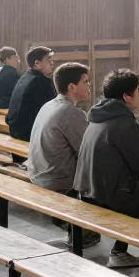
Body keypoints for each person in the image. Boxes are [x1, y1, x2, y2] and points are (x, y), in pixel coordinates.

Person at [74, 69, 139, 269]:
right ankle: (120, 252)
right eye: (138, 90)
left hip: (87, 192)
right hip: (108, 199)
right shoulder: (123, 123)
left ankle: (119, 249)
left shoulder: (97, 117)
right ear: (126, 96)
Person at [28, 61, 100, 245]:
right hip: (56, 182)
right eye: (86, 82)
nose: (90, 86)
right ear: (72, 87)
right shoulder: (70, 112)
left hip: (37, 173)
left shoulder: (49, 105)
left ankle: (74, 224)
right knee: (106, 173)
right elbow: (88, 152)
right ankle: (82, 229)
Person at [6, 46, 56, 142]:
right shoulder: (41, 82)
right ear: (37, 64)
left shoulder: (25, 78)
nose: (52, 63)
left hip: (15, 130)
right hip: (28, 135)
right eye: (48, 60)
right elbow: (52, 111)